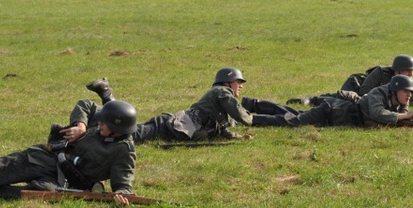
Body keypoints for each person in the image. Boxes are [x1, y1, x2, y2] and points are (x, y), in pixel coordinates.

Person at [0, 100, 138, 205]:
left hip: (63, 180)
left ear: (117, 127)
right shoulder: (104, 119)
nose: (100, 124)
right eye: (101, 121)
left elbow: (123, 183)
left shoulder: (124, 152)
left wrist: (121, 196)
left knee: (41, 193)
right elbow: (86, 104)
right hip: (45, 158)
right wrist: (80, 125)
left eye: (104, 123)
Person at [67, 68, 297, 145]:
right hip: (167, 126)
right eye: (239, 82)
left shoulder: (220, 106)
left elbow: (222, 128)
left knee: (121, 130)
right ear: (228, 82)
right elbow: (240, 113)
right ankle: (107, 97)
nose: (241, 87)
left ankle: (107, 97)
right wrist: (253, 119)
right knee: (128, 135)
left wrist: (237, 137)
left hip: (175, 128)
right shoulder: (222, 92)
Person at [252, 75, 413, 128]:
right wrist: (404, 116)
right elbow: (379, 113)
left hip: (334, 117)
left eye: (410, 92)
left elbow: (397, 116)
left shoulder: (399, 101)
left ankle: (253, 104)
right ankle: (251, 119)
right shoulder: (378, 94)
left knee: (293, 114)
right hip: (329, 111)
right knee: (292, 122)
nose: (409, 96)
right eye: (406, 92)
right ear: (395, 90)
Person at [287, 54, 413, 105]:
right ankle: (310, 99)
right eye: (408, 71)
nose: (411, 74)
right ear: (397, 70)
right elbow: (364, 90)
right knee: (340, 101)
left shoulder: (407, 82)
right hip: (356, 87)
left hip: (370, 98)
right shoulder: (380, 72)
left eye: (412, 71)